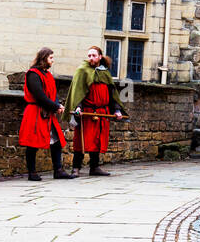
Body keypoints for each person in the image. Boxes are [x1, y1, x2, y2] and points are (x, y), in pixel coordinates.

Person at [63, 45, 127, 177]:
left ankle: (94, 167)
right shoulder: (82, 71)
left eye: (93, 55)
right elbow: (78, 92)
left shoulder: (105, 72)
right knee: (80, 140)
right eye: (89, 56)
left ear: (100, 57)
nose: (91, 58)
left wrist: (117, 110)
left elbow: (112, 93)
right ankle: (76, 168)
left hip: (102, 112)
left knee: (97, 140)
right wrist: (78, 107)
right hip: (86, 112)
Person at [20, 48, 70, 180]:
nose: (53, 60)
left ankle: (58, 170)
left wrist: (56, 105)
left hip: (48, 113)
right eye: (51, 58)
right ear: (44, 58)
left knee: (57, 141)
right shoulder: (33, 74)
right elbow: (39, 95)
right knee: (32, 143)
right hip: (35, 112)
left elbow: (53, 94)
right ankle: (32, 173)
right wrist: (55, 106)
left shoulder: (47, 75)